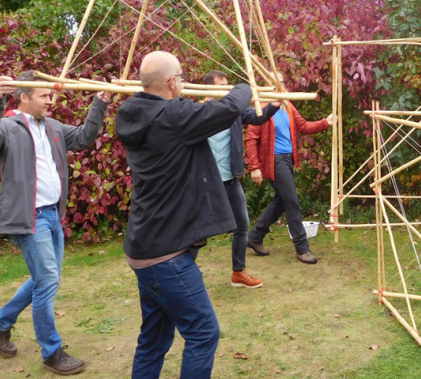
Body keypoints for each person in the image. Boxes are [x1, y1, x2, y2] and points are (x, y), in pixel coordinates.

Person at [115, 51, 252, 379]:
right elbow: (231, 107)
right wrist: (245, 86)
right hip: (166, 256)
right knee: (204, 333)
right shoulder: (172, 116)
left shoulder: (132, 112)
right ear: (171, 82)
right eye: (181, 76)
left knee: (155, 337)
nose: (184, 81)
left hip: (145, 246)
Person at [0, 70, 111, 376]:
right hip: (27, 217)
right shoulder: (7, 126)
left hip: (51, 214)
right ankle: (51, 352)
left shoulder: (53, 127)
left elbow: (85, 137)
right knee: (47, 281)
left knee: (44, 279)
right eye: (44, 96)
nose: (51, 100)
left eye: (51, 95)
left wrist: (99, 103)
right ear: (24, 97)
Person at [201, 70, 280, 289]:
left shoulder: (233, 111)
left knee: (242, 224)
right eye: (222, 85)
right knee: (196, 229)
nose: (228, 89)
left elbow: (257, 116)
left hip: (230, 180)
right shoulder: (197, 111)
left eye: (229, 84)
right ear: (208, 89)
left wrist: (274, 104)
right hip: (205, 182)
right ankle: (183, 273)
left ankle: (238, 272)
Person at [245, 75, 333, 265]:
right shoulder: (261, 108)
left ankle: (255, 236)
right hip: (274, 161)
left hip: (287, 160)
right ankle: (302, 248)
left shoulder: (288, 106)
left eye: (282, 83)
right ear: (267, 87)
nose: (279, 87)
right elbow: (251, 139)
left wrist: (326, 122)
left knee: (281, 201)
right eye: (274, 83)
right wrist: (254, 167)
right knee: (292, 202)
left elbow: (304, 126)